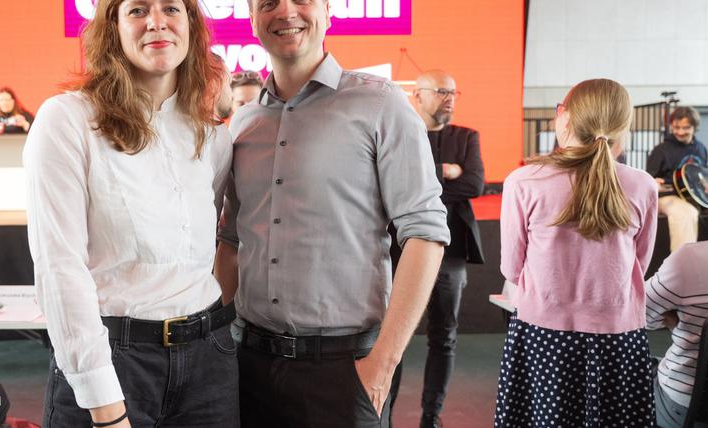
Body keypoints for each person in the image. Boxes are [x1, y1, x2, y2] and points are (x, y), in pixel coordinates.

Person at [215, 0, 450, 424]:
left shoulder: (381, 105)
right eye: (268, 3)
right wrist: (215, 349)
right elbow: (231, 243)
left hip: (345, 370)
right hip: (247, 363)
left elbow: (425, 234)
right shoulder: (243, 124)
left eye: (301, 0)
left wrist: (382, 366)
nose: (285, 12)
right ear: (251, 19)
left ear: (326, 10)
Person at [23, 0, 235, 425]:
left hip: (209, 362)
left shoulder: (210, 136)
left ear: (191, 25)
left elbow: (207, 245)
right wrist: (104, 406)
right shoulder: (68, 120)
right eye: (137, 10)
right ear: (112, 29)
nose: (157, 22)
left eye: (171, 9)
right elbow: (60, 268)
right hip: (114, 360)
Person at [496, 79, 658, 427]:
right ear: (623, 128)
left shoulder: (523, 181)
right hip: (621, 338)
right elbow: (638, 265)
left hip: (543, 336)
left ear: (563, 118)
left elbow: (511, 269)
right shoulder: (643, 185)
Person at [392, 69, 484, 428]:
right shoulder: (401, 133)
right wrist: (443, 171)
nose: (450, 98)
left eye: (454, 92)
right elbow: (393, 187)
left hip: (452, 252)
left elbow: (474, 184)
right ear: (418, 95)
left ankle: (432, 416)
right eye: (442, 91)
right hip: (399, 252)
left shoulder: (467, 137)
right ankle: (383, 412)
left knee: (443, 337)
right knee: (391, 335)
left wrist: (421, 181)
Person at [646, 154, 708, 428]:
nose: (706, 188)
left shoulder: (690, 261)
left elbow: (639, 314)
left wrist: (673, 316)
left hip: (690, 403)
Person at [646, 106, 708, 252]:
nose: (680, 132)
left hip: (693, 198)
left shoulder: (701, 149)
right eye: (676, 127)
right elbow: (648, 181)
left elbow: (702, 176)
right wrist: (655, 184)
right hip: (667, 196)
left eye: (686, 127)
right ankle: (681, 266)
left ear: (694, 127)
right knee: (686, 213)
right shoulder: (660, 150)